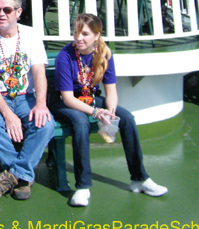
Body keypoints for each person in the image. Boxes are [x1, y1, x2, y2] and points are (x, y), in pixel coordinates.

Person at [51, 13, 167, 207]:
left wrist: (110, 112)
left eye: (85, 34)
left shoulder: (104, 54)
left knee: (127, 118)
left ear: (97, 35)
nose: (79, 38)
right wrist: (97, 113)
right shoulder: (65, 55)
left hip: (90, 99)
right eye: (76, 33)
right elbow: (68, 98)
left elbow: (111, 91)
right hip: (65, 102)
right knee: (80, 123)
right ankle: (83, 186)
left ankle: (139, 178)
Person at [0, 0, 54, 201]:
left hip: (25, 97)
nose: (1, 14)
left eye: (7, 9)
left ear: (18, 12)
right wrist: (8, 115)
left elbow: (39, 73)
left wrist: (40, 103)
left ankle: (12, 176)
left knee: (45, 124)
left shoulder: (31, 36)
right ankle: (23, 177)